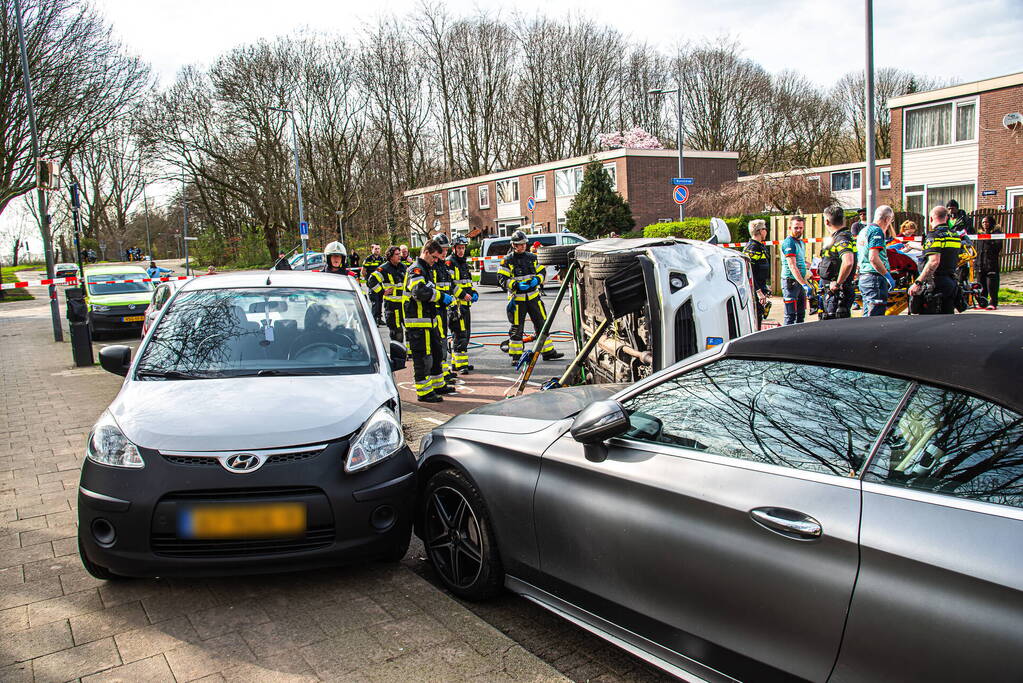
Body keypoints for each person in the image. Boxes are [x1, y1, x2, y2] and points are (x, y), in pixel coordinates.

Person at [497, 230, 564, 365]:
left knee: (542, 324)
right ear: (514, 245)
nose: (523, 246)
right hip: (517, 300)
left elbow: (542, 272)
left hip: (534, 298)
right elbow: (502, 279)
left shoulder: (532, 258)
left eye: (524, 244)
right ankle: (516, 357)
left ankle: (548, 352)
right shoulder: (507, 261)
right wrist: (515, 284)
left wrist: (537, 280)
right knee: (517, 328)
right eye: (520, 244)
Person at [403, 240, 453, 402]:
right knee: (422, 358)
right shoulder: (416, 270)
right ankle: (423, 392)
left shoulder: (426, 270)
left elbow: (429, 290)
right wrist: (440, 296)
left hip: (428, 322)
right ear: (426, 252)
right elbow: (419, 292)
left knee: (437, 353)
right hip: (417, 323)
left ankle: (438, 385)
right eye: (434, 257)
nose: (435, 260)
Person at [909, 205, 962, 315]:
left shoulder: (934, 235)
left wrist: (918, 282)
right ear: (946, 218)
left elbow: (934, 261)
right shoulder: (954, 235)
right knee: (946, 321)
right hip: (950, 282)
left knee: (930, 323)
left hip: (935, 285)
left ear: (931, 219)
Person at [817, 206, 856, 320]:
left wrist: (838, 283)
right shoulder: (838, 236)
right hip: (832, 291)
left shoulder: (842, 237)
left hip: (837, 293)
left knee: (834, 327)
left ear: (827, 221)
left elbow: (848, 262)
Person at [856, 205, 896, 317]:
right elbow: (873, 258)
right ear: (887, 219)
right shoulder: (877, 232)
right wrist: (888, 276)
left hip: (864, 277)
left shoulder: (863, 231)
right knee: (875, 318)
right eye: (890, 221)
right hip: (875, 279)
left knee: (867, 315)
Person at [446, 235, 478, 374]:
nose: (461, 251)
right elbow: (450, 284)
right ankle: (460, 365)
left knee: (465, 333)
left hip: (465, 305)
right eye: (459, 248)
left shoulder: (463, 263)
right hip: (456, 306)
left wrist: (474, 292)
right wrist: (463, 294)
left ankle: (458, 362)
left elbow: (468, 283)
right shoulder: (450, 263)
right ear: (453, 248)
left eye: (463, 248)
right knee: (460, 334)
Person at [369, 246, 407, 343]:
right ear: (390, 256)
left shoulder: (403, 267)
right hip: (392, 306)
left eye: (400, 254)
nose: (399, 256)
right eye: (397, 254)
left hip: (405, 305)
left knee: (410, 330)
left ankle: (410, 355)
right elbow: (371, 281)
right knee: (397, 332)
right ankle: (398, 357)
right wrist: (382, 292)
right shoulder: (384, 268)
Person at [431, 234, 456, 382]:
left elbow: (451, 286)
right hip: (435, 309)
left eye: (446, 250)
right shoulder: (432, 267)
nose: (445, 253)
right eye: (443, 250)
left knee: (444, 340)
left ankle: (444, 371)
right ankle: (440, 372)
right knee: (440, 341)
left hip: (443, 308)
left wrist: (464, 295)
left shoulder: (444, 267)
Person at [780, 216, 811, 325]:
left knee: (801, 314)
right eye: (796, 228)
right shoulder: (789, 243)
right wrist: (804, 284)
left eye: (801, 228)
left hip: (800, 282)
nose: (799, 230)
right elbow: (792, 265)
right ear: (790, 228)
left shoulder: (801, 242)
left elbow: (801, 261)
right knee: (790, 315)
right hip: (791, 282)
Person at [742, 219, 771, 329]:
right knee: (756, 318)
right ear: (760, 231)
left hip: (760, 287)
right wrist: (758, 292)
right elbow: (749, 273)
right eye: (765, 229)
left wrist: (765, 286)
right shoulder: (752, 248)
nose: (766, 232)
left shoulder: (759, 246)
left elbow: (760, 270)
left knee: (760, 316)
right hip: (754, 291)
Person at [975, 215, 1002, 310]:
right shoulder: (979, 234)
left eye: (987, 222)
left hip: (991, 263)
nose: (985, 224)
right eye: (983, 222)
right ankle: (982, 302)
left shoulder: (996, 233)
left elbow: (998, 248)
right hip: (980, 263)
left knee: (992, 285)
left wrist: (988, 239)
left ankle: (993, 303)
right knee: (980, 285)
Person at [362, 244, 385, 324]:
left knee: (380, 301)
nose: (377, 250)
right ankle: (374, 321)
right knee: (375, 302)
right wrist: (368, 281)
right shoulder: (368, 259)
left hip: (380, 284)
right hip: (372, 284)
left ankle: (379, 319)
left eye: (378, 249)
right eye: (375, 249)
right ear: (372, 249)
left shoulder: (381, 259)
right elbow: (363, 271)